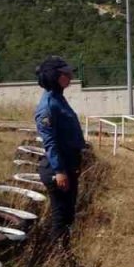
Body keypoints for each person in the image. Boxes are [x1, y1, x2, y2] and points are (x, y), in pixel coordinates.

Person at [34, 56, 87, 253]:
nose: (70, 76)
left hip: (68, 164)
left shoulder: (58, 98)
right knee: (60, 217)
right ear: (56, 77)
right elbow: (50, 142)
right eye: (65, 73)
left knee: (67, 216)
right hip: (58, 168)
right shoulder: (48, 105)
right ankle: (56, 260)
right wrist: (60, 171)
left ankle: (64, 259)